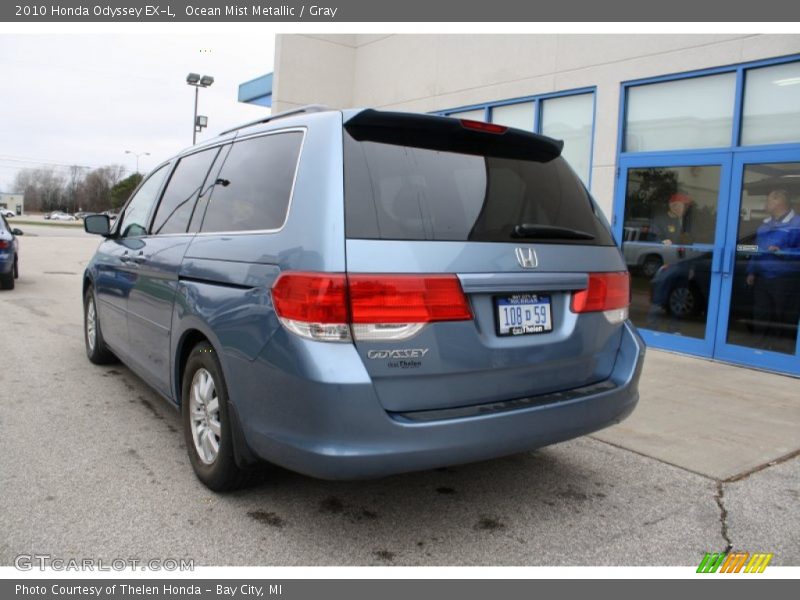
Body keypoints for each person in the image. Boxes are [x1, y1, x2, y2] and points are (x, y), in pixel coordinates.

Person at [745, 188, 800, 350]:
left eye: (768, 200)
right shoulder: (765, 224)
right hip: (762, 277)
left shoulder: (797, 224)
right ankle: (759, 349)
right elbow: (757, 249)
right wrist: (751, 270)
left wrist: (783, 252)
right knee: (761, 314)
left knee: (783, 317)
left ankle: (781, 353)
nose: (765, 204)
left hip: (785, 279)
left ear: (779, 202)